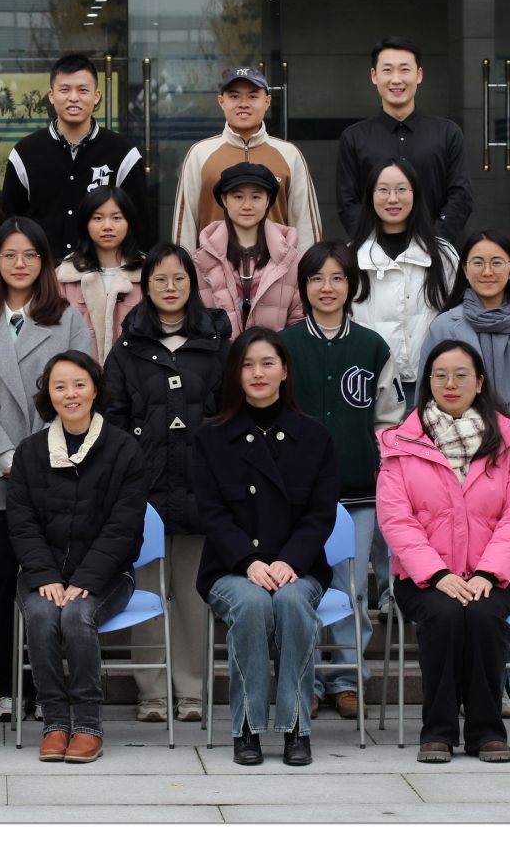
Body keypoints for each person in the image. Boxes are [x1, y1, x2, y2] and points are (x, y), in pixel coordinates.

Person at [0, 217, 94, 723]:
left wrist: (36, 458)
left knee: (48, 580)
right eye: (10, 255)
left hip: (55, 470)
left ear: (44, 262)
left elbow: (80, 390)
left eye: (30, 255)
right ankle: (9, 687)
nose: (19, 264)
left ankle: (50, 686)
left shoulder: (68, 320)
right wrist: (6, 457)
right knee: (0, 581)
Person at [419, 229, 510, 714]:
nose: (487, 271)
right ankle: (474, 684)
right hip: (461, 463)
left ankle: (507, 682)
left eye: (497, 261)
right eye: (477, 262)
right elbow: (424, 399)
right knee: (466, 565)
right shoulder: (446, 325)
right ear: (464, 269)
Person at [377, 339, 510, 764]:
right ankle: (439, 731)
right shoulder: (401, 443)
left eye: (461, 375)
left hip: (490, 575)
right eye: (440, 375)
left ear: (480, 382)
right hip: (423, 578)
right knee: (446, 614)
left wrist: (487, 573)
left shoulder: (508, 441)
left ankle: (486, 731)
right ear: (427, 382)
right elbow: (396, 520)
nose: (450, 384)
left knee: (483, 615)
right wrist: (437, 574)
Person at [188, 327, 340, 767]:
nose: (258, 373)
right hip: (230, 568)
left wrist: (290, 561)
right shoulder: (210, 438)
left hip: (299, 567)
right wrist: (249, 561)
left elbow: (320, 515)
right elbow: (211, 513)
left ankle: (296, 727)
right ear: (235, 374)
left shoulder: (314, 437)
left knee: (292, 602)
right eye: (248, 365)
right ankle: (247, 728)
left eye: (267, 363)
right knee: (252, 604)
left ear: (285, 371)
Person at [101, 242, 231, 724]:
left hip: (202, 489)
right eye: (159, 279)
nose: (170, 287)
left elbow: (230, 414)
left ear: (192, 284)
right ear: (146, 286)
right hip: (146, 493)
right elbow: (113, 419)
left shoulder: (216, 343)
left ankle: (192, 692)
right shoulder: (127, 348)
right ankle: (152, 693)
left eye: (179, 278)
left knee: (194, 597)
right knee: (149, 595)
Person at [279, 241, 404, 719]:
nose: (326, 287)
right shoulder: (285, 345)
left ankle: (349, 679)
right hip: (296, 494)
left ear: (352, 285)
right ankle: (305, 679)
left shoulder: (372, 346)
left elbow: (390, 420)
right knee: (301, 587)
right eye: (316, 279)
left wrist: (383, 469)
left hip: (358, 491)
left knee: (352, 589)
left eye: (336, 278)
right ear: (303, 286)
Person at [7, 351, 148, 764]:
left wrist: (86, 578)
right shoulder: (30, 452)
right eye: (60, 386)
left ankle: (87, 725)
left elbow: (124, 527)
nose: (71, 394)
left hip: (106, 575)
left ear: (96, 390)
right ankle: (54, 723)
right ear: (48, 395)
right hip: (43, 574)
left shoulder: (124, 449)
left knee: (75, 615)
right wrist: (45, 575)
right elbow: (22, 523)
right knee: (41, 614)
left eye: (79, 384)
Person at [1, 53, 152, 261]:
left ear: (96, 96)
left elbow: (140, 226)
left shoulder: (124, 153)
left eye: (82, 90)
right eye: (65, 90)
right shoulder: (25, 153)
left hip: (105, 273)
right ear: (51, 96)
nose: (73, 98)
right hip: (44, 273)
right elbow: (11, 224)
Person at [334, 40, 474, 240]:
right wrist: (374, 245)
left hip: (436, 249)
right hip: (373, 252)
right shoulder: (354, 137)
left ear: (419, 75)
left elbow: (461, 195)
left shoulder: (447, 133)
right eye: (387, 70)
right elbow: (347, 202)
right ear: (374, 76)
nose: (396, 79)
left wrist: (433, 242)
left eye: (405, 70)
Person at [171, 66, 319, 251]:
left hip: (277, 267)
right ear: (221, 101)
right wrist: (184, 266)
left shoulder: (290, 154)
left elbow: (305, 225)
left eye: (253, 96)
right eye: (234, 96)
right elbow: (185, 225)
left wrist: (310, 268)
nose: (243, 104)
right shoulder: (199, 154)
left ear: (267, 101)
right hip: (212, 266)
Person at [350, 159, 460, 403]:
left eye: (401, 189)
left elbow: (459, 318)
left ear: (415, 194)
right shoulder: (351, 257)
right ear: (370, 196)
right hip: (368, 384)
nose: (392, 199)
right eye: (383, 190)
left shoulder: (444, 255)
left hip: (432, 386)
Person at [194, 162, 306, 337]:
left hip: (274, 353)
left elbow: (298, 323)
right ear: (224, 200)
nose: (247, 205)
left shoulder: (290, 260)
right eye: (238, 197)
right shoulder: (202, 260)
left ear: (268, 200)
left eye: (256, 197)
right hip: (218, 354)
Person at [54, 184, 146, 362]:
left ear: (129, 222)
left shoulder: (149, 272)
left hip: (135, 375)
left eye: (116, 218)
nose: (107, 226)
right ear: (85, 224)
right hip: (80, 375)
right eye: (97, 218)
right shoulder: (64, 275)